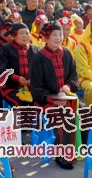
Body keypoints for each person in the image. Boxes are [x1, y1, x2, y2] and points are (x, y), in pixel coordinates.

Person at [30, 21, 79, 170]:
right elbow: (36, 88)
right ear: (46, 37)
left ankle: (76, 151)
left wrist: (68, 86)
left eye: (61, 35)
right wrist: (52, 100)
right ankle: (61, 155)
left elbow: (74, 76)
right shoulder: (39, 58)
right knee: (61, 115)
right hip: (46, 100)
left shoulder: (67, 53)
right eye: (55, 35)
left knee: (83, 111)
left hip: (65, 97)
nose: (58, 38)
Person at [0, 23, 39, 106]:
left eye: (27, 33)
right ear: (14, 36)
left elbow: (42, 70)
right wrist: (17, 78)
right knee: (23, 103)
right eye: (21, 33)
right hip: (11, 87)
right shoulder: (5, 49)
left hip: (31, 87)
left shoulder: (35, 50)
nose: (25, 36)